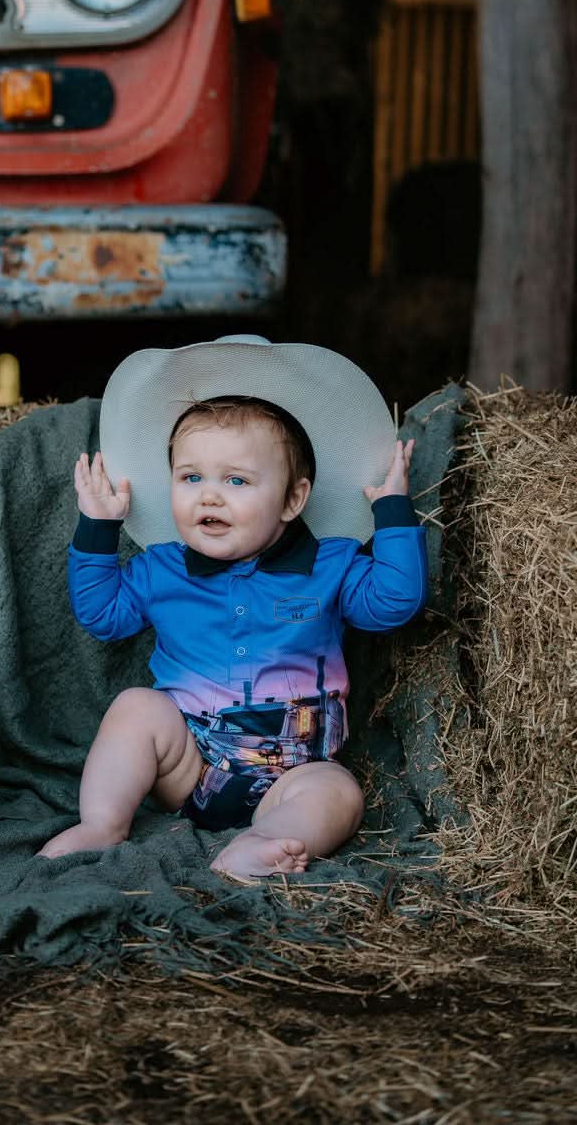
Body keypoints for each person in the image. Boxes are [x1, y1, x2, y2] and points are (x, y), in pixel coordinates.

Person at [38, 335, 428, 879]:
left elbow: (392, 603)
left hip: (295, 772)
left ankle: (261, 843)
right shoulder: (162, 567)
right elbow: (103, 616)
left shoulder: (331, 563)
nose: (209, 495)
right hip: (189, 768)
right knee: (136, 707)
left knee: (339, 792)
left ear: (293, 499)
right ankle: (102, 823)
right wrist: (98, 527)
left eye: (237, 480)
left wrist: (392, 511)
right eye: (191, 477)